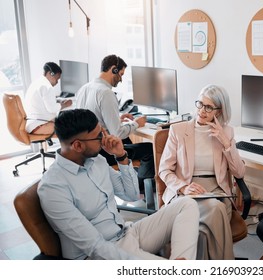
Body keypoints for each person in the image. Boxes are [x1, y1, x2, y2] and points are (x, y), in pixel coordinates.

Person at [37, 108, 200, 260]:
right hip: (101, 256)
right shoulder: (53, 187)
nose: (105, 139)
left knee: (186, 204)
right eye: (99, 136)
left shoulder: (96, 160)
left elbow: (131, 195)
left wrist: (121, 156)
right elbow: (95, 247)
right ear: (78, 145)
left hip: (126, 233)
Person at [158, 84, 245, 260]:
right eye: (200, 104)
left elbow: (239, 173)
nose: (201, 111)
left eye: (208, 107)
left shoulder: (226, 132)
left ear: (219, 112)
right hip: (186, 192)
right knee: (202, 229)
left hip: (216, 192)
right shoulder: (178, 130)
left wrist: (225, 142)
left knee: (209, 217)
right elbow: (164, 170)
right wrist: (183, 187)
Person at [75, 54, 154, 189]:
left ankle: (132, 180)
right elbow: (117, 134)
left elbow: (92, 119)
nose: (121, 79)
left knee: (128, 142)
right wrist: (137, 123)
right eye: (121, 74)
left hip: (85, 150)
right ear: (114, 69)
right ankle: (138, 189)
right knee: (150, 149)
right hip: (103, 151)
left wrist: (116, 119)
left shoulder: (84, 88)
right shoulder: (106, 93)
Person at [24, 62, 72, 134]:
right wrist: (65, 105)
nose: (57, 82)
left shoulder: (37, 82)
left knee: (64, 119)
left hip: (31, 124)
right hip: (39, 126)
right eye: (57, 79)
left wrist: (58, 103)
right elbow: (52, 109)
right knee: (73, 127)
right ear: (50, 73)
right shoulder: (47, 87)